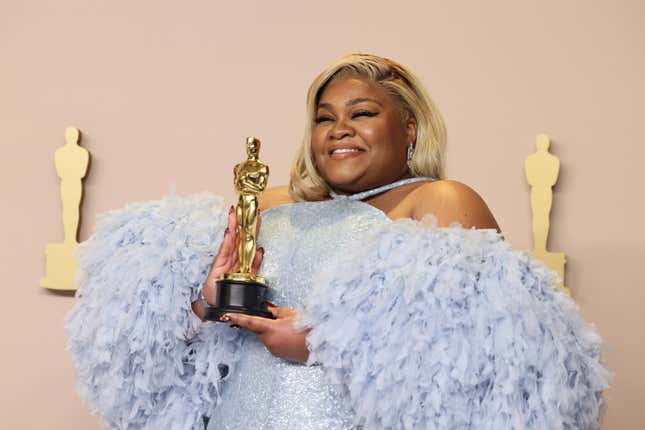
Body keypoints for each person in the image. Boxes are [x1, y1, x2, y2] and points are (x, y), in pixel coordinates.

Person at [67, 54, 608, 430]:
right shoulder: (274, 205)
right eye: (324, 118)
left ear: (411, 127)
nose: (338, 129)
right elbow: (187, 358)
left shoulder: (439, 201)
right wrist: (208, 303)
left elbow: (494, 364)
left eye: (363, 114)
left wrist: (324, 346)